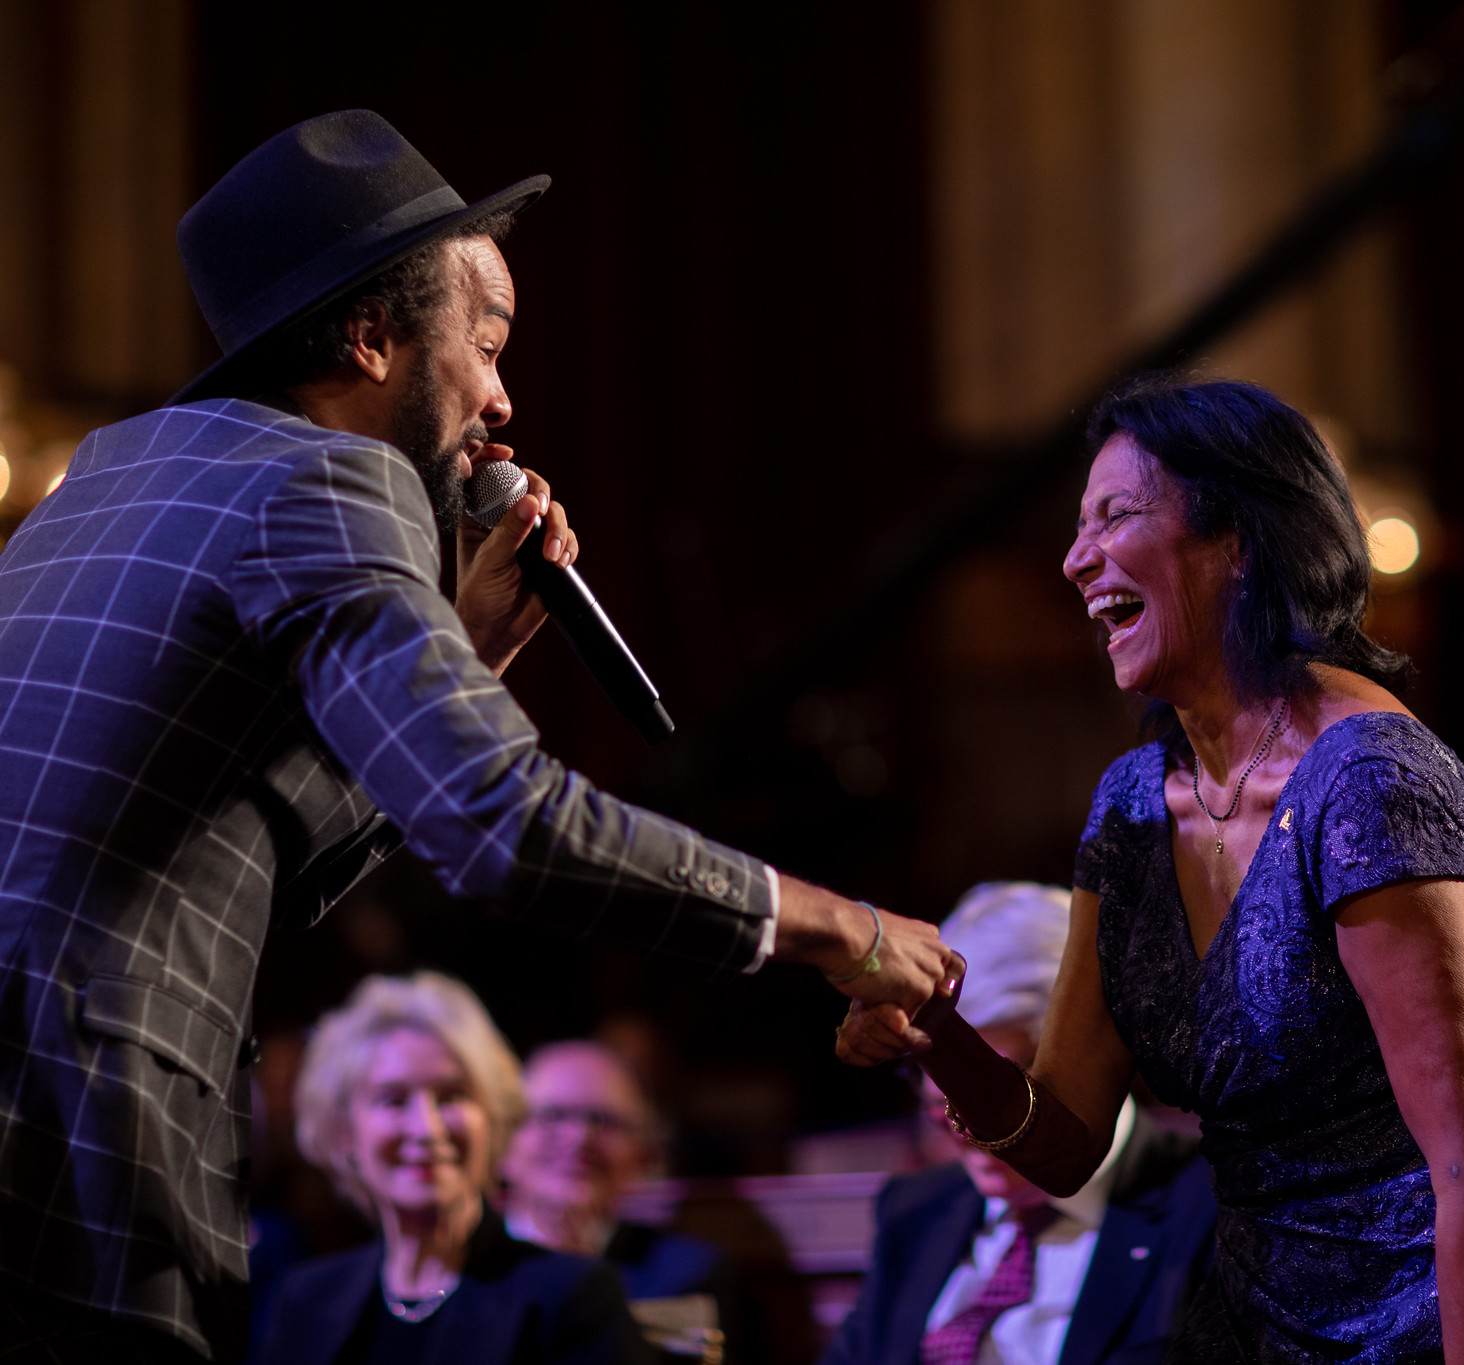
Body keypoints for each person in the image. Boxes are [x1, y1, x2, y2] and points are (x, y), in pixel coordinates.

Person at [0, 110, 960, 1361]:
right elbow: (502, 830)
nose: (502, 397)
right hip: (78, 1153)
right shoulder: (334, 479)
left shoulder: (101, 485)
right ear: (371, 334)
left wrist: (466, 652)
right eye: (488, 340)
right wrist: (846, 930)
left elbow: (235, 862)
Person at [837, 378, 1464, 1364]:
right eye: (1075, 528)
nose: (1075, 559)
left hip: (1455, 1298)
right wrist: (934, 1032)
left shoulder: (1366, 779)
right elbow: (1064, 1141)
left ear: (1236, 541)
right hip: (1267, 1303)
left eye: (1113, 516)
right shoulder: (1130, 807)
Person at [824, 882, 1217, 1365]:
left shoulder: (1211, 1206)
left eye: (996, 1090)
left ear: (1090, 1061)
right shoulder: (915, 1211)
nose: (969, 1126)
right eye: (940, 1091)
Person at [256, 973, 649, 1365]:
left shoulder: (569, 1294)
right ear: (344, 1132)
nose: (427, 1129)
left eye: (452, 1096)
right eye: (393, 1100)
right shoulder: (305, 1297)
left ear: (492, 1118)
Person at [501, 1041, 732, 1303]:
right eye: (553, 1115)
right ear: (503, 1143)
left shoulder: (687, 1276)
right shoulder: (458, 1261)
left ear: (642, 1155)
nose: (578, 1137)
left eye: (602, 1120)